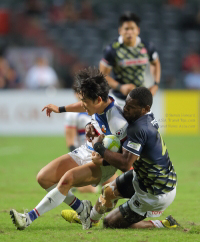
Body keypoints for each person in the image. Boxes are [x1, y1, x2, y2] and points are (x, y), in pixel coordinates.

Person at [10, 67, 128, 230]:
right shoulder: (101, 102)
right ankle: (83, 209)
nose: (83, 105)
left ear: (98, 100)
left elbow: (126, 157)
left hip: (102, 164)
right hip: (86, 151)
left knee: (67, 179)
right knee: (44, 177)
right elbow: (82, 105)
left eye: (85, 101)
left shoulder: (118, 122)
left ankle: (28, 218)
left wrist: (103, 161)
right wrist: (60, 109)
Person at [63, 87, 179, 229]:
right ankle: (89, 220)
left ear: (145, 108)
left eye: (131, 107)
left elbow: (125, 164)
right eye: (126, 105)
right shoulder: (145, 117)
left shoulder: (139, 128)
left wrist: (99, 148)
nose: (126, 110)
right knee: (107, 191)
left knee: (110, 224)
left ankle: (163, 224)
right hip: (144, 176)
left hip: (155, 191)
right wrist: (90, 125)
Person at [100, 12, 161, 107]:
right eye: (126, 29)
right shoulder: (112, 49)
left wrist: (155, 84)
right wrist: (120, 87)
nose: (129, 32)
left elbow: (155, 63)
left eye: (132, 28)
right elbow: (102, 75)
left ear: (138, 30)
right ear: (120, 30)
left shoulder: (147, 46)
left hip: (141, 101)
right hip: (119, 100)